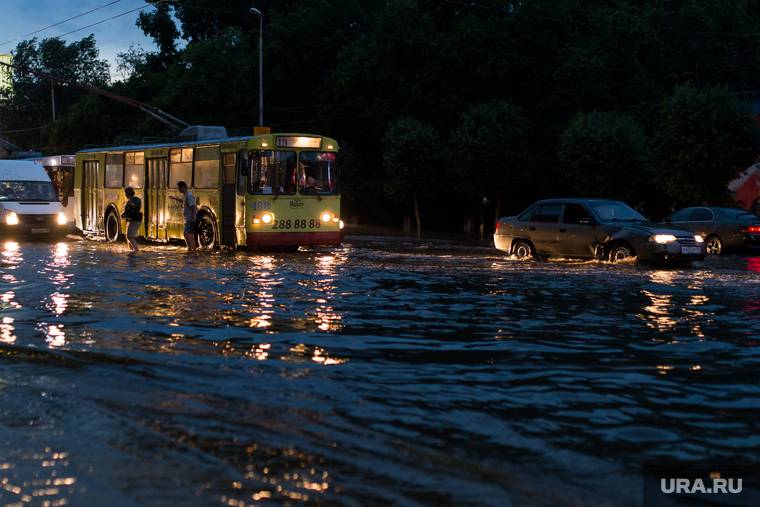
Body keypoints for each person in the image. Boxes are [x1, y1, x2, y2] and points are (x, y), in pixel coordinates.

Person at [169, 180, 197, 250]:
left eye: (179, 188)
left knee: (186, 233)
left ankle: (189, 248)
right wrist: (174, 198)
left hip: (189, 218)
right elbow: (183, 201)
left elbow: (194, 206)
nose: (178, 190)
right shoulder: (185, 195)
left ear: (182, 187)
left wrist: (193, 217)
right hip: (188, 217)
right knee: (190, 234)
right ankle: (193, 248)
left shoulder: (188, 195)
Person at [122, 187, 142, 252]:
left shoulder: (135, 199)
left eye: (126, 193)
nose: (125, 195)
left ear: (129, 193)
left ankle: (136, 250)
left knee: (130, 236)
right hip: (132, 219)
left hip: (136, 220)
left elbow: (137, 207)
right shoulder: (130, 200)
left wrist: (131, 204)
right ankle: (131, 249)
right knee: (127, 236)